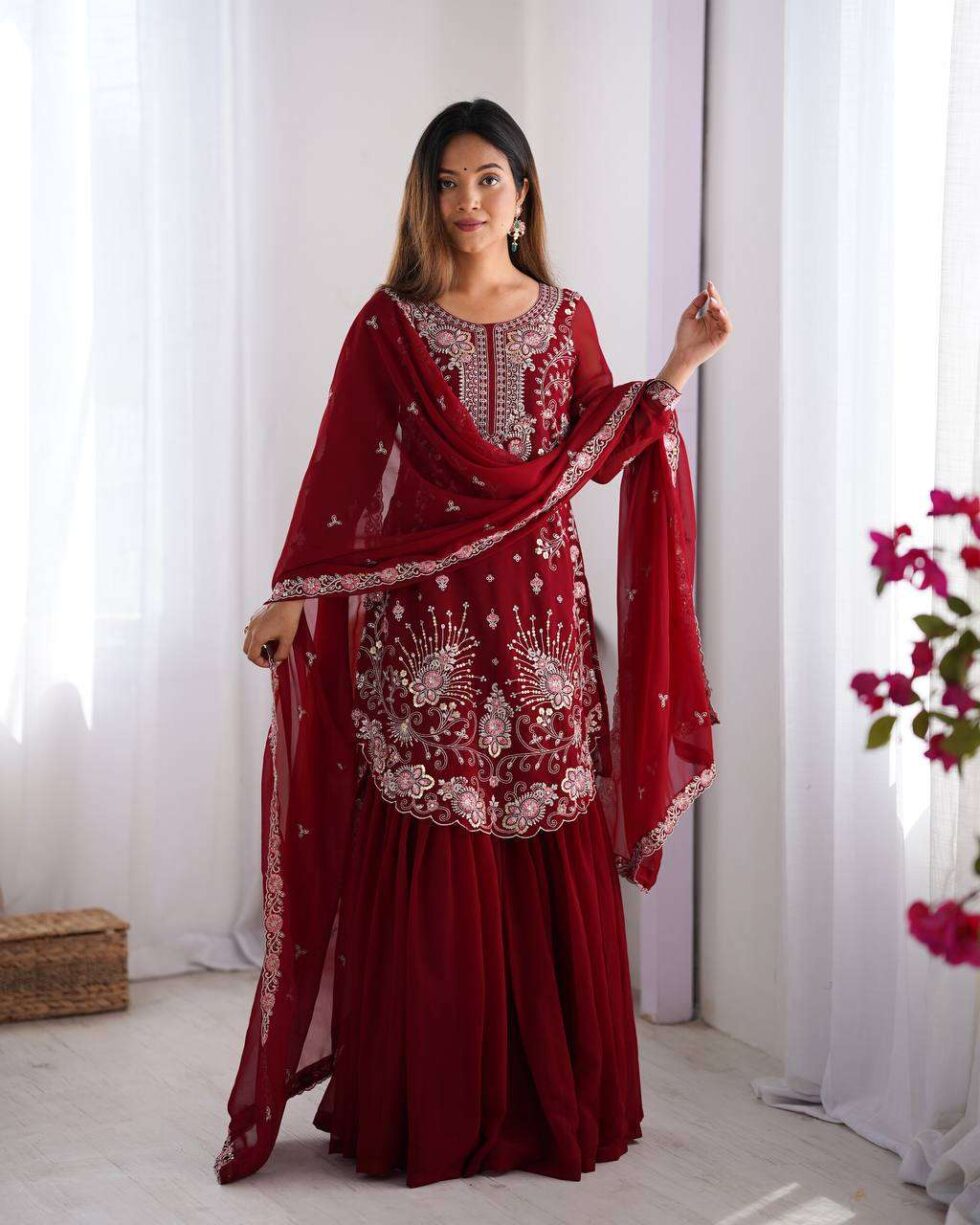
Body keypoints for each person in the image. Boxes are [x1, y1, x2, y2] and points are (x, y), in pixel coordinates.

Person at [215, 97, 731, 1189]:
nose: (467, 201)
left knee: (540, 826)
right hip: (428, 625)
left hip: (541, 622)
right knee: (433, 828)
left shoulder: (567, 315)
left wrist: (677, 367)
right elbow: (341, 469)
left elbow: (598, 440)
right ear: (424, 197)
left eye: (487, 178)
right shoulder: (388, 325)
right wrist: (291, 595)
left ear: (523, 192)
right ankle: (429, 1107)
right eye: (446, 183)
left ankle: (552, 1102)